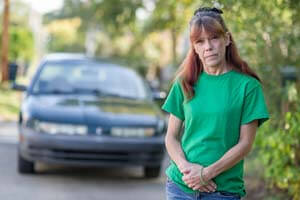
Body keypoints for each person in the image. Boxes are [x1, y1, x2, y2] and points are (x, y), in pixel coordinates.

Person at [161, 7, 270, 200]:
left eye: (214, 38)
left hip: (222, 191)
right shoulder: (185, 83)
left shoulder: (248, 87)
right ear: (194, 47)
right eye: (200, 41)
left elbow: (245, 144)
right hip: (181, 187)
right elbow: (171, 137)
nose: (208, 47)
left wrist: (205, 174)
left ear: (227, 39)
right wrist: (188, 170)